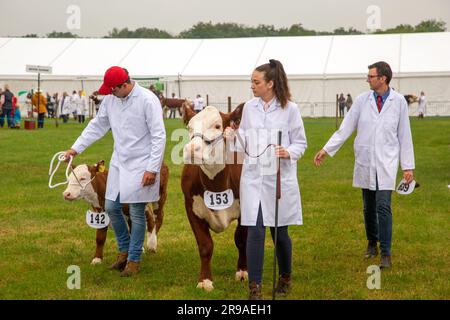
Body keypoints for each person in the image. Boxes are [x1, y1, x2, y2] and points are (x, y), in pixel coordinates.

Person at [64, 66, 166, 277]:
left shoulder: (148, 100)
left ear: (124, 85)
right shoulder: (111, 100)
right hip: (120, 161)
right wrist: (76, 148)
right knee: (111, 206)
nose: (110, 93)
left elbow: (159, 135)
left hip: (142, 163)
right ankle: (124, 250)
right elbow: (97, 125)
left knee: (137, 212)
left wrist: (152, 168)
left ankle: (134, 259)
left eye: (113, 89)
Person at [313, 61, 415, 269]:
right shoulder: (361, 100)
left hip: (386, 162)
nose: (367, 79)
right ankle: (372, 243)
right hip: (366, 160)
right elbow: (346, 127)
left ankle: (385, 252)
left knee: (383, 207)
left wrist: (407, 166)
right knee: (368, 208)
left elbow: (405, 135)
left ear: (382, 79)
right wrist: (326, 149)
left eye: (371, 76)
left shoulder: (398, 102)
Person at [224, 59, 307, 300]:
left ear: (270, 84)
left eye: (256, 81)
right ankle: (255, 286)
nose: (252, 85)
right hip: (253, 179)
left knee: (279, 233)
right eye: (251, 81)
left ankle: (285, 276)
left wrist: (288, 151)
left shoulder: (290, 109)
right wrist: (232, 136)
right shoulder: (250, 107)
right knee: (255, 231)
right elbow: (245, 142)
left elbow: (301, 142)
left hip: (279, 179)